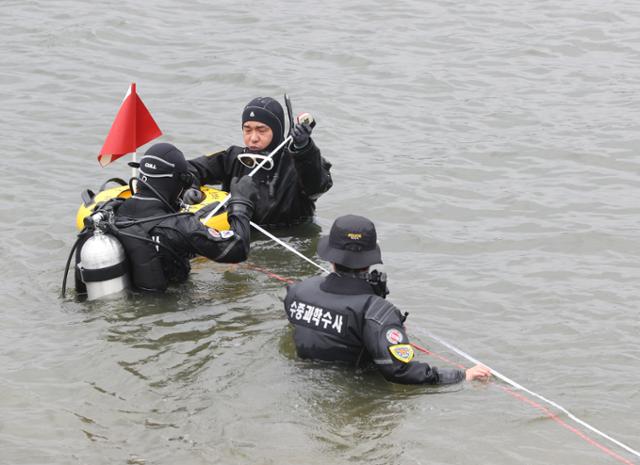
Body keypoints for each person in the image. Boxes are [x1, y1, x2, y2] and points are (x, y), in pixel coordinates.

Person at [283, 214, 492, 385]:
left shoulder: (298, 291)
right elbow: (400, 371)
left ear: (331, 256)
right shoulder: (376, 311)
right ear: (370, 259)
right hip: (355, 388)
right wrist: (463, 375)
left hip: (301, 379)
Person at [78, 142, 258, 293]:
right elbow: (238, 247)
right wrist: (241, 202)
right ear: (177, 184)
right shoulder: (179, 226)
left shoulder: (110, 212)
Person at [185, 96, 332, 228]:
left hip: (288, 237)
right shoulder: (233, 157)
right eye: (247, 130)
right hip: (241, 234)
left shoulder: (298, 162)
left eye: (261, 130)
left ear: (276, 131)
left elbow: (319, 186)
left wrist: (305, 148)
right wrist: (191, 188)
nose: (253, 138)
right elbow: (189, 169)